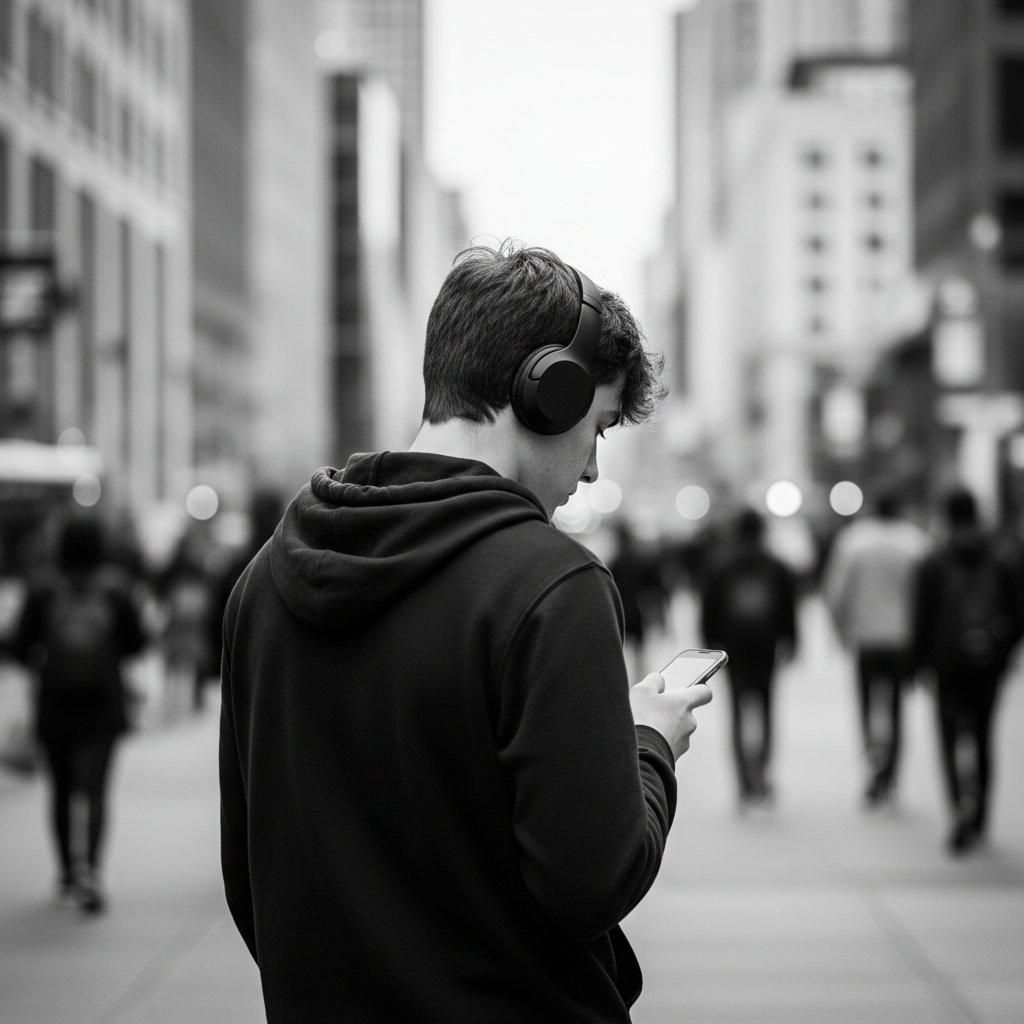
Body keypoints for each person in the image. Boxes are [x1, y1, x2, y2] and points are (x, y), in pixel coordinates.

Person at [219, 242, 712, 1022]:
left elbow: (252, 880)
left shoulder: (262, 584)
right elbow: (592, 881)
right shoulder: (555, 587)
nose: (589, 470)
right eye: (599, 428)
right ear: (551, 390)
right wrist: (648, 744)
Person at [12, 517, 145, 913]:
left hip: (55, 702)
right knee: (97, 789)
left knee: (62, 789)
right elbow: (135, 643)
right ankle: (93, 870)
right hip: (103, 702)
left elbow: (20, 648)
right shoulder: (116, 589)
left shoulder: (42, 588)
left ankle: (67, 870)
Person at [913, 488, 1022, 854]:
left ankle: (959, 807)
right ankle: (981, 816)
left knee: (949, 739)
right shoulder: (1000, 559)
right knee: (983, 736)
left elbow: (922, 618)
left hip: (947, 664)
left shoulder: (935, 561)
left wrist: (919, 662)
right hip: (987, 663)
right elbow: (1017, 613)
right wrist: (1004, 653)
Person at [823, 492, 930, 806]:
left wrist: (842, 632)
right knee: (897, 709)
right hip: (903, 639)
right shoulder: (916, 542)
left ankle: (873, 768)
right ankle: (891, 777)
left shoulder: (854, 540)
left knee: (868, 707)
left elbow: (835, 592)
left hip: (866, 638)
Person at [700, 508, 796, 807]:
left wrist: (709, 647)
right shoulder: (775, 564)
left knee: (737, 713)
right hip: (765, 646)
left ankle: (743, 781)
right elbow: (788, 607)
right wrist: (791, 640)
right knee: (766, 708)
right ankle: (763, 775)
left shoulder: (721, 563)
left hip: (733, 647)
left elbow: (708, 609)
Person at [609, 521, 668, 682]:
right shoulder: (638, 560)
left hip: (620, 611)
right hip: (636, 611)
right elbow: (653, 589)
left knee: (621, 650)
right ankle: (642, 680)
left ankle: (626, 680)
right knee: (640, 650)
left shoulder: (616, 562)